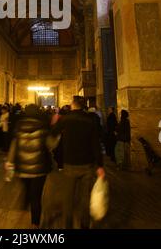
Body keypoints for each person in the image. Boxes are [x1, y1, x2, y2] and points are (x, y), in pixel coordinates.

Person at [44, 97, 105, 229]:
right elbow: (95, 143)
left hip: (70, 163)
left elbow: (53, 133)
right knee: (85, 198)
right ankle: (84, 225)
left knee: (68, 198)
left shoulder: (66, 119)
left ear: (74, 105)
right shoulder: (90, 119)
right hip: (87, 164)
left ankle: (68, 224)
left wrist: (54, 123)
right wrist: (100, 165)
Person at [6, 104, 52, 229]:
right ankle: (35, 223)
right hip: (39, 168)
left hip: (23, 166)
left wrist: (9, 161)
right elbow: (51, 144)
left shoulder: (19, 125)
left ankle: (25, 202)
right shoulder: (42, 126)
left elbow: (14, 145)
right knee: (36, 197)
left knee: (27, 188)